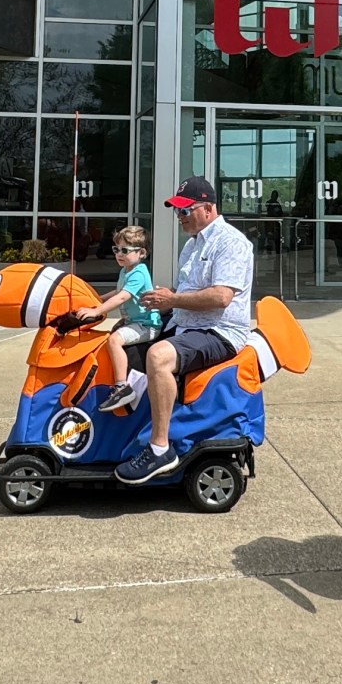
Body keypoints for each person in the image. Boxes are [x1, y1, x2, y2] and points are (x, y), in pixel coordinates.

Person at [115, 179, 253, 485]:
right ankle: (124, 436)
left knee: (158, 356)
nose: (180, 217)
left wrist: (172, 299)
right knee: (123, 341)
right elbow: (189, 292)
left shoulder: (232, 243)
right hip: (187, 323)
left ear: (208, 208)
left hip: (220, 331)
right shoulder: (192, 244)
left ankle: (160, 448)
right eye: (177, 212)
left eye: (185, 210)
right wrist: (162, 301)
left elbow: (221, 297)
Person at [66, 225, 163, 414]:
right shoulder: (126, 270)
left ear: (141, 253)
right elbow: (117, 292)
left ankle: (122, 387)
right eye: (116, 249)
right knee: (109, 338)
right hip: (132, 322)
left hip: (147, 325)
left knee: (114, 340)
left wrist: (97, 311)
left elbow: (122, 297)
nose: (119, 254)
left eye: (125, 250)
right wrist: (95, 301)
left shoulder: (139, 272)